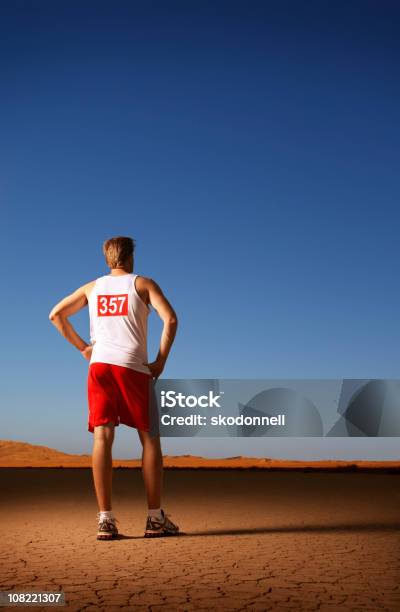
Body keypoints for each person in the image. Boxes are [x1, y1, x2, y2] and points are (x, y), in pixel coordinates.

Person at [49, 235, 179, 540]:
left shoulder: (92, 288)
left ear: (108, 259)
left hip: (101, 367)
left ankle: (105, 520)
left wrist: (84, 348)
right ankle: (154, 518)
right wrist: (160, 360)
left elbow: (56, 315)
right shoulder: (143, 284)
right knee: (150, 440)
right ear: (130, 258)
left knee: (103, 437)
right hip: (133, 367)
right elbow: (170, 320)